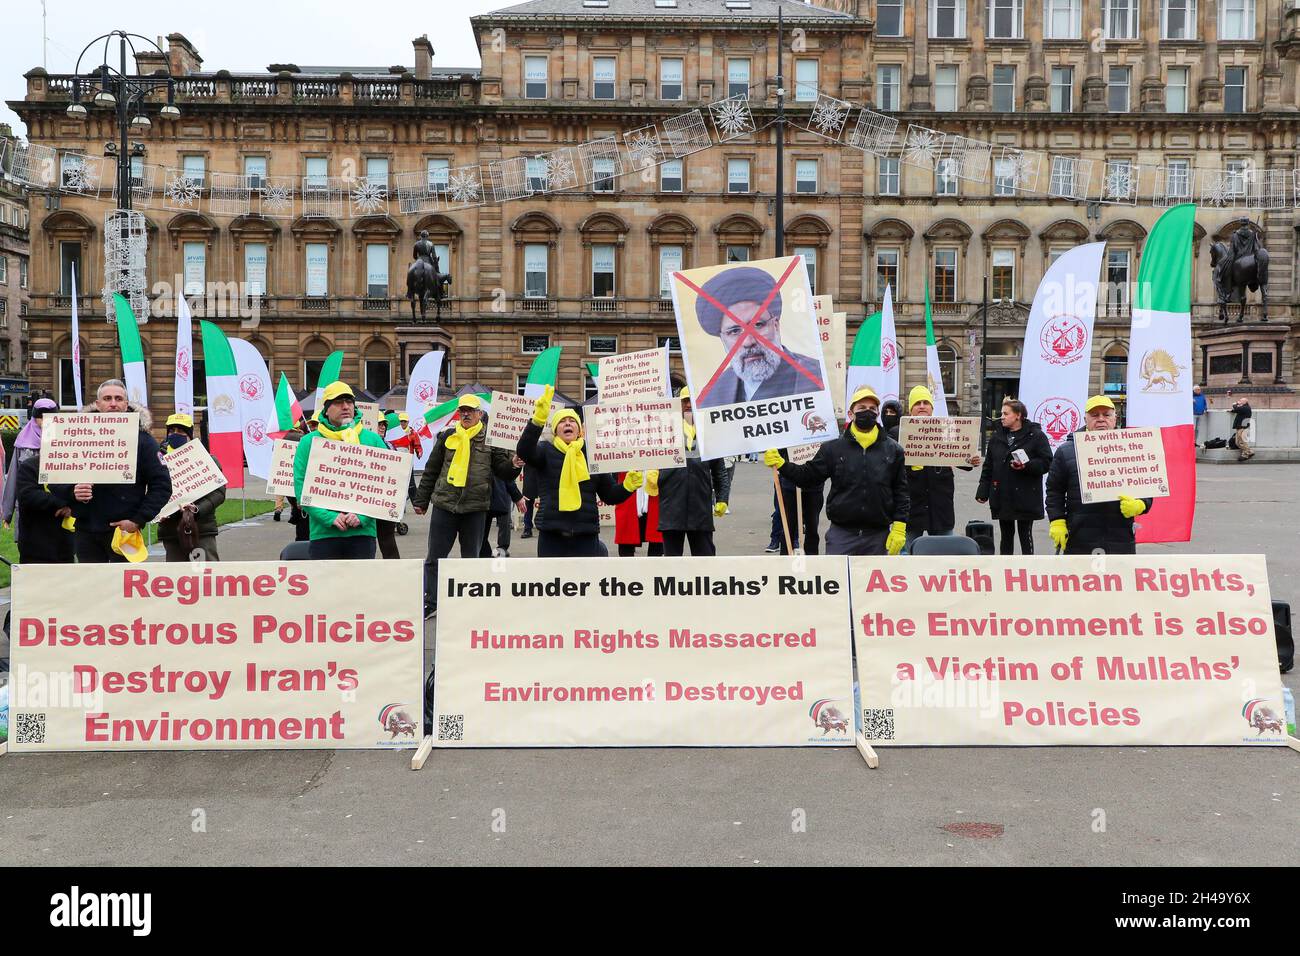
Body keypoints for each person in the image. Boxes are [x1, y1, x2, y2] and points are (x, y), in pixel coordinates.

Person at [764, 386, 908, 556]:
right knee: (839, 581)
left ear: (877, 413)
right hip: (842, 535)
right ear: (851, 413)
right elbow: (807, 476)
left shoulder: (893, 450)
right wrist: (782, 464)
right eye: (861, 408)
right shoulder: (833, 449)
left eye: (872, 409)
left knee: (871, 582)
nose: (867, 412)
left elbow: (901, 491)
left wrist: (900, 526)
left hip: (878, 535)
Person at [412, 395, 520, 614]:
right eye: (463, 411)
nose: (466, 414)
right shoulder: (447, 436)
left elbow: (502, 470)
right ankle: (431, 602)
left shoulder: (491, 440)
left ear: (480, 414)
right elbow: (432, 470)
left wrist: (514, 464)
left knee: (471, 558)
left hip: (475, 508)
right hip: (445, 505)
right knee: (435, 558)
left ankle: (469, 601)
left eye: (471, 410)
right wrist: (421, 501)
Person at [517, 385, 640, 557]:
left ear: (580, 429)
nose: (567, 423)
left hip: (586, 536)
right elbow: (524, 450)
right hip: (551, 536)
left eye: (572, 421)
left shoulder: (592, 455)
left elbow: (610, 495)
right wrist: (537, 421)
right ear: (555, 430)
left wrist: (627, 486)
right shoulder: (545, 450)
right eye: (562, 421)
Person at [58, 380, 172, 563]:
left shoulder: (143, 441)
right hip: (85, 531)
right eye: (107, 398)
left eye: (118, 399)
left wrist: (138, 520)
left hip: (123, 532)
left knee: (123, 590)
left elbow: (162, 485)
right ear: (97, 404)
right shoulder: (77, 437)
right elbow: (56, 476)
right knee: (93, 589)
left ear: (126, 405)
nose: (113, 403)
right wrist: (71, 491)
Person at [692, 266, 823, 409]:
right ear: (722, 339)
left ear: (776, 326)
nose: (748, 341)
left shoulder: (818, 376)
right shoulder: (712, 396)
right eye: (735, 331)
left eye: (758, 325)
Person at [1046, 395, 1154, 555]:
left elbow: (1147, 485)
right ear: (1085, 418)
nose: (1101, 419)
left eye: (1106, 414)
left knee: (1119, 579)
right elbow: (1055, 490)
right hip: (1079, 535)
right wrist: (1057, 521)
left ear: (1115, 418)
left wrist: (1141, 504)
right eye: (1095, 415)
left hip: (1120, 536)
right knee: (1079, 579)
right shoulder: (1066, 451)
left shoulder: (1132, 448)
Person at [292, 381, 387, 560]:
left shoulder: (372, 440)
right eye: (338, 402)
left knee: (360, 588)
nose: (345, 406)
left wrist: (362, 516)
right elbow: (301, 486)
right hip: (324, 534)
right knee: (325, 587)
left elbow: (387, 485)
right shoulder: (308, 442)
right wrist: (328, 517)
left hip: (362, 533)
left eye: (349, 402)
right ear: (326, 409)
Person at [892, 385, 981, 552]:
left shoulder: (947, 430)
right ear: (910, 408)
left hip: (940, 506)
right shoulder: (897, 432)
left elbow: (961, 457)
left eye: (926, 402)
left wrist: (971, 459)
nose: (922, 406)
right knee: (906, 554)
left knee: (944, 555)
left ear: (932, 407)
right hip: (910, 506)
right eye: (917, 403)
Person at [655, 386, 731, 556]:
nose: (689, 405)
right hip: (672, 509)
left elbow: (720, 471)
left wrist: (722, 498)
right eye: (685, 401)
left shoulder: (708, 433)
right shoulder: (665, 431)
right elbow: (651, 459)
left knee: (705, 560)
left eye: (692, 401)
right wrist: (653, 476)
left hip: (700, 509)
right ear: (679, 405)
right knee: (673, 565)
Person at [976, 398, 1052, 555]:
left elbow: (1047, 462)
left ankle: (1028, 568)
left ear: (1018, 415)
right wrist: (982, 491)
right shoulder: (997, 437)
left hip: (1026, 494)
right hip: (1003, 494)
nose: (1001, 417)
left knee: (1025, 534)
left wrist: (1027, 465)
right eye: (1002, 413)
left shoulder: (1036, 436)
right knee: (1006, 536)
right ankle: (1005, 569)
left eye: (1005, 413)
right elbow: (988, 466)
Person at [156, 413, 226, 562]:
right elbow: (153, 491)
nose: (175, 434)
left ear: (190, 434)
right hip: (170, 529)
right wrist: (160, 511)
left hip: (202, 529)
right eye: (172, 430)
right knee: (175, 578)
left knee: (206, 576)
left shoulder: (207, 459)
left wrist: (196, 509)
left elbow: (219, 493)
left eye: (181, 431)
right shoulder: (158, 461)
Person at [13, 422, 75, 565]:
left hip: (64, 546)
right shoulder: (29, 466)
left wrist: (71, 504)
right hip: (35, 545)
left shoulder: (70, 467)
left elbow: (76, 493)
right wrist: (62, 503)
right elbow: (28, 496)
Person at [1, 396, 56, 539]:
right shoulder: (23, 442)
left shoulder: (64, 440)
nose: (44, 420)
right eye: (40, 416)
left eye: (49, 416)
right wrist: (7, 513)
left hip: (56, 508)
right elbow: (13, 477)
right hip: (28, 509)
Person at [614, 470, 662, 557]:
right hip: (627, 488)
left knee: (657, 540)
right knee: (626, 539)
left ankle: (655, 569)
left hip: (655, 489)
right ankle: (627, 569)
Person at [480, 470, 525, 558]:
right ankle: (496, 550)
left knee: (503, 521)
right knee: (481, 533)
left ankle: (502, 548)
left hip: (499, 490)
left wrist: (517, 496)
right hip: (486, 492)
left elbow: (506, 472)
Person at [1231, 395, 1254, 461]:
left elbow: (1237, 409)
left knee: (1242, 442)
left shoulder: (1246, 407)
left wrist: (1235, 404)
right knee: (1237, 443)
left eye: (1240, 401)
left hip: (1243, 427)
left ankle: (1246, 454)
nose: (1239, 401)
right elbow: (1236, 410)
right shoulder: (1243, 408)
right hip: (1239, 427)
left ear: (1245, 402)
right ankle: (1249, 452)